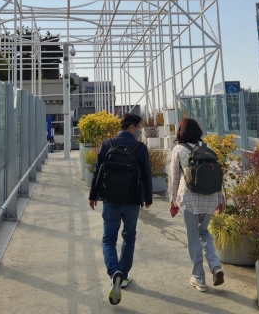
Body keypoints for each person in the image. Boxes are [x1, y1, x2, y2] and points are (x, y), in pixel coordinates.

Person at [88, 113, 153, 306]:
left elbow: (98, 170)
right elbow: (147, 174)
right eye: (139, 126)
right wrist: (147, 197)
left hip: (110, 198)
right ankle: (123, 276)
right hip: (132, 199)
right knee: (129, 236)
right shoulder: (139, 147)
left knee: (108, 239)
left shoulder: (108, 143)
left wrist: (93, 195)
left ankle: (114, 271)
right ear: (131, 127)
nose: (140, 130)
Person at [168, 118, 225, 292]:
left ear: (181, 132)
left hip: (190, 199)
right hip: (210, 199)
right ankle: (215, 266)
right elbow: (218, 177)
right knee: (204, 233)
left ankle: (199, 278)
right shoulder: (208, 149)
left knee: (193, 236)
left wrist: (172, 201)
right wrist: (220, 200)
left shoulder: (179, 149)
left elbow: (174, 177)